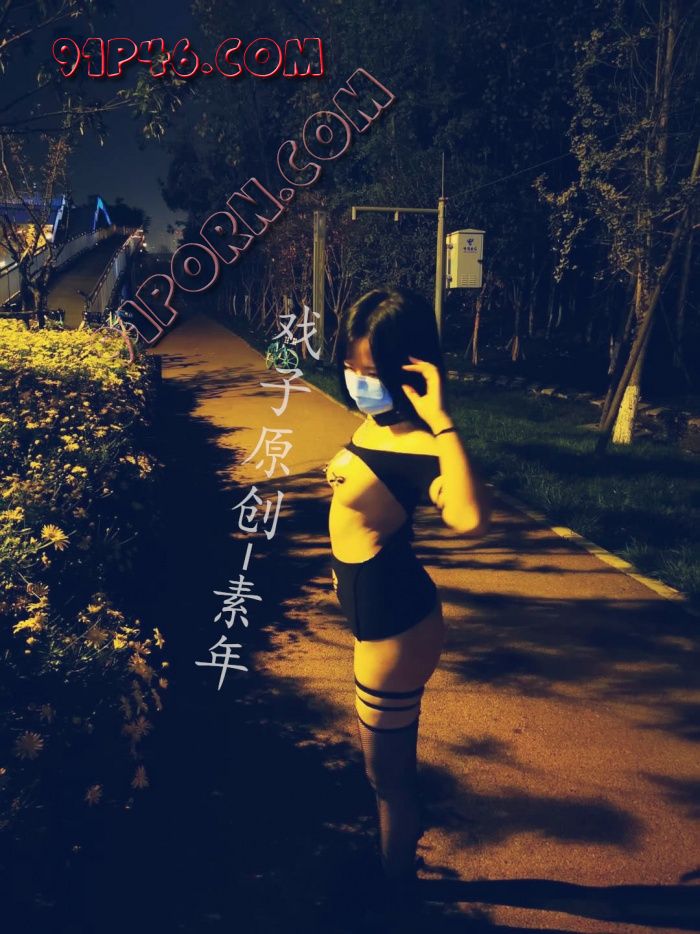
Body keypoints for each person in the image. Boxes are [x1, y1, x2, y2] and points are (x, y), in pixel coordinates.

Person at [325, 287, 491, 915]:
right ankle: (396, 864)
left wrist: (443, 420)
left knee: (386, 777)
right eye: (351, 366)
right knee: (386, 771)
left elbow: (470, 518)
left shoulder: (422, 446)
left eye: (370, 371)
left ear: (410, 370)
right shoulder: (377, 426)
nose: (357, 382)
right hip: (378, 615)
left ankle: (394, 893)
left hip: (395, 629)